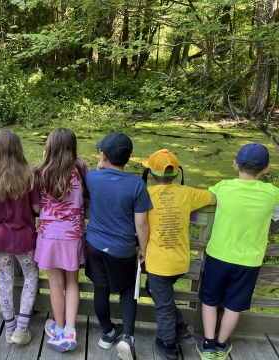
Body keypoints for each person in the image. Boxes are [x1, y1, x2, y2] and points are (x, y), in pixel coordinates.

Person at [196, 142, 279, 360]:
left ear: (235, 164)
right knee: (234, 305)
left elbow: (205, 199)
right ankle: (222, 345)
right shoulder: (272, 194)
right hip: (249, 261)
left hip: (219, 255)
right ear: (266, 168)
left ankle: (207, 343)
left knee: (210, 299)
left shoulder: (223, 187)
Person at [142, 149, 216, 360]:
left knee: (163, 305)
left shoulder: (145, 194)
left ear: (150, 174)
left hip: (158, 263)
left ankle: (168, 345)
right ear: (176, 175)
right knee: (156, 291)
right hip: (181, 262)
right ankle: (182, 329)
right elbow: (214, 198)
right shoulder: (188, 193)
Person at [85, 132, 151, 360]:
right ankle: (128, 337)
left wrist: (100, 166)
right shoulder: (137, 185)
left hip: (94, 244)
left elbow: (98, 176)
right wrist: (143, 248)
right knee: (127, 289)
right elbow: (141, 223)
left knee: (100, 288)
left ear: (103, 155)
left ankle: (107, 333)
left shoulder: (92, 178)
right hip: (122, 250)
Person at [0, 129, 40, 345]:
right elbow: (36, 208)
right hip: (23, 236)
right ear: (18, 149)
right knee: (31, 276)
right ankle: (22, 328)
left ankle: (9, 328)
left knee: (5, 280)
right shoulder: (29, 175)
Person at [33, 128, 88, 352]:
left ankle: (59, 327)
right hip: (72, 235)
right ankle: (70, 331)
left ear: (50, 146)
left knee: (55, 284)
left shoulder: (39, 171)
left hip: (49, 235)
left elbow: (36, 205)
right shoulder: (80, 167)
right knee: (72, 282)